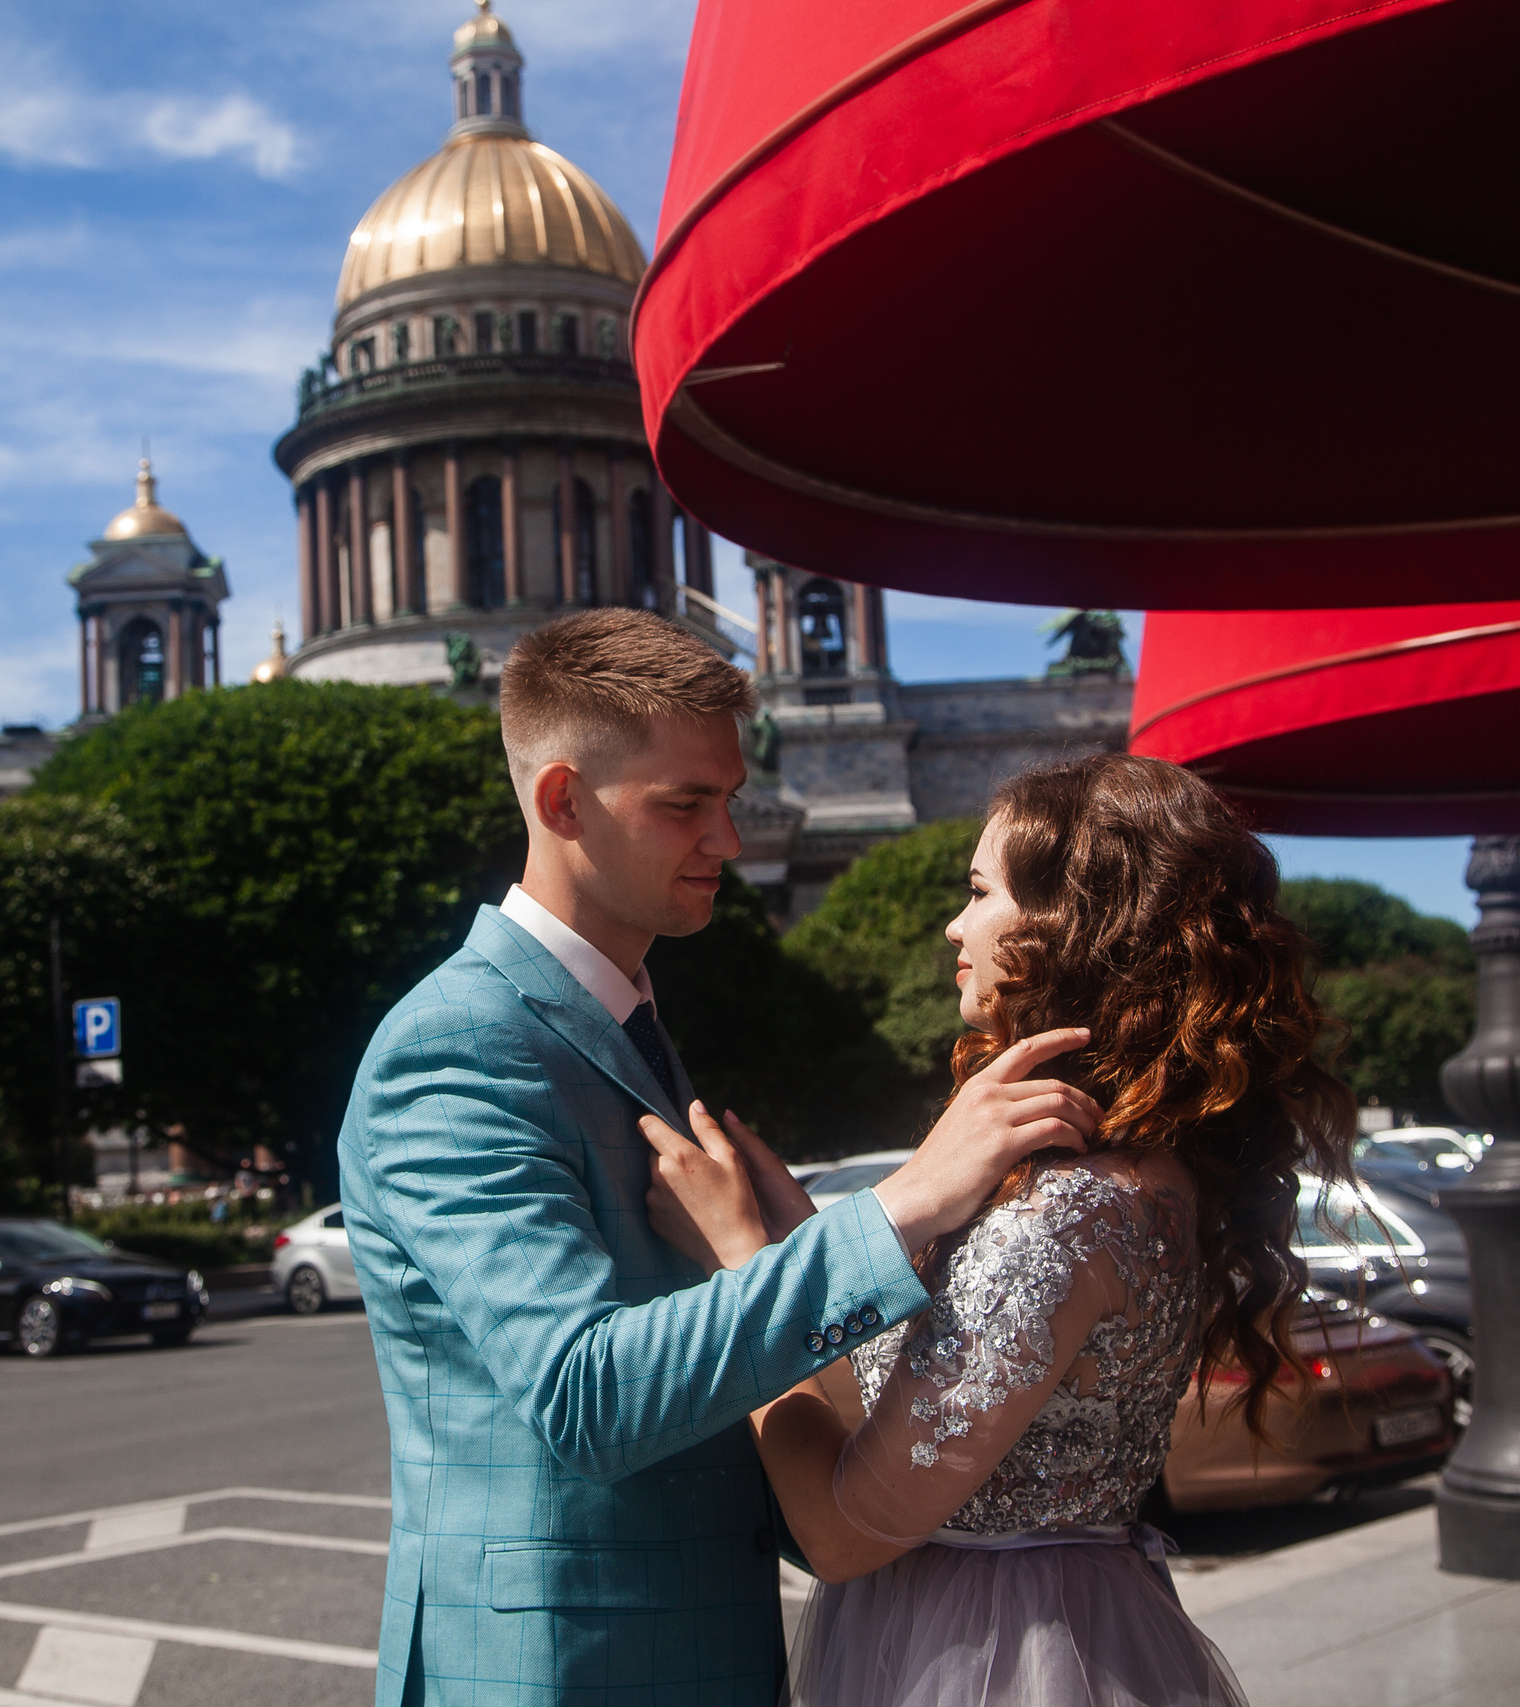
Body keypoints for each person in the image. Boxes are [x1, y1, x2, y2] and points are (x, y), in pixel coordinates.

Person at [337, 610, 1102, 1707]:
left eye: (730, 800)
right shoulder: (456, 1043)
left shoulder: (619, 1023)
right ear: (561, 801)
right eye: (684, 806)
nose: (730, 842)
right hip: (556, 1672)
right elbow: (585, 1393)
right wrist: (902, 1205)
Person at [643, 753, 1358, 1707]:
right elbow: (910, 1402)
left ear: (1075, 928)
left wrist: (738, 1264)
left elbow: (844, 1535)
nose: (954, 924)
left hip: (992, 1654)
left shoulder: (1068, 1210)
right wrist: (802, 1252)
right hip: (1051, 1621)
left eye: (980, 892)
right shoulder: (1129, 1172)